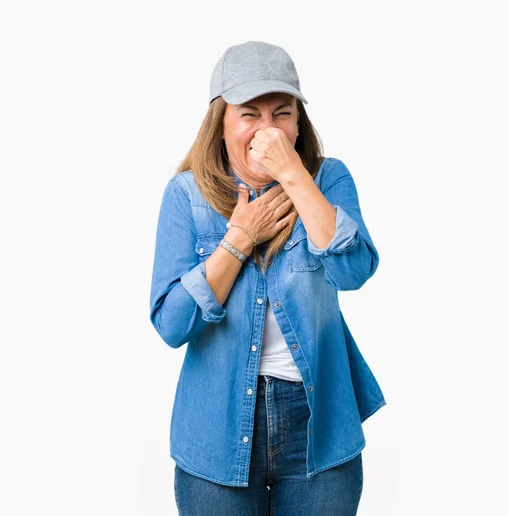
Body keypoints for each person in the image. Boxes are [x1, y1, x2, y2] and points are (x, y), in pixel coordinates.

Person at [149, 40, 386, 515]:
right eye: (249, 115)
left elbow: (353, 270)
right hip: (217, 425)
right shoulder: (186, 195)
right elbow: (172, 325)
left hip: (318, 423)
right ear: (221, 123)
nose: (268, 130)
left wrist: (296, 177)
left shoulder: (328, 179)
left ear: (299, 124)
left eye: (282, 114)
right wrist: (238, 239)